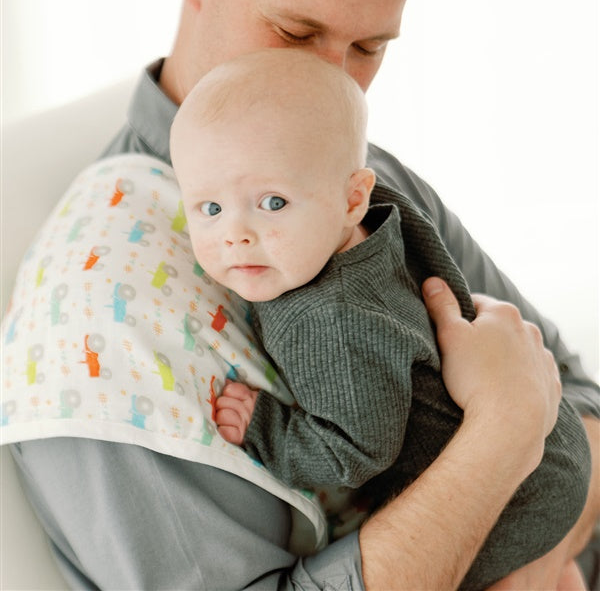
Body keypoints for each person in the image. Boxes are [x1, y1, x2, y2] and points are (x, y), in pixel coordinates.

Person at [3, 0, 598, 591]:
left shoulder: (357, 175)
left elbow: (578, 395)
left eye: (367, 48)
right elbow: (533, 407)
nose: (333, 83)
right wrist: (504, 438)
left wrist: (542, 542)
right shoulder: (99, 302)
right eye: (295, 30)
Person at [170, 47, 591, 590]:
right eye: (209, 209)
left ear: (351, 197)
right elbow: (440, 265)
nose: (236, 234)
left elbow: (358, 452)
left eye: (272, 203)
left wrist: (266, 428)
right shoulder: (380, 214)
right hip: (552, 440)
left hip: (521, 490)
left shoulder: (328, 319)